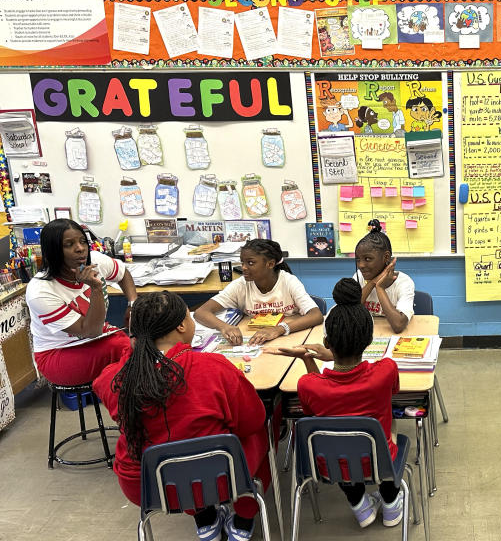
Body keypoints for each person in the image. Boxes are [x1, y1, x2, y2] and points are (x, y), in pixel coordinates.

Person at [94, 291, 270, 541]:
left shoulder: (115, 377)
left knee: (173, 442)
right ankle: (243, 519)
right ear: (181, 325)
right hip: (216, 479)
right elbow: (251, 421)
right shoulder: (213, 366)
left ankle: (206, 521)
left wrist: (131, 351)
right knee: (258, 427)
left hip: (145, 486)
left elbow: (105, 380)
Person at [272, 278, 404, 528]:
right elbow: (393, 391)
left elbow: (312, 411)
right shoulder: (386, 370)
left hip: (333, 465)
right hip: (378, 459)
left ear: (327, 343)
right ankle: (390, 505)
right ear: (368, 340)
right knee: (390, 423)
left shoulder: (308, 385)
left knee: (335, 434)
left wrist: (308, 359)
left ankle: (360, 506)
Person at [27, 219, 137, 386]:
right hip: (59, 352)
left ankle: (136, 402)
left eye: (82, 241)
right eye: (69, 244)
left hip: (99, 337)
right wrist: (96, 288)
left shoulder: (95, 261)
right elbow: (91, 331)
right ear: (53, 251)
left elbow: (123, 274)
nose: (80, 248)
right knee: (125, 348)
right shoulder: (41, 291)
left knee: (140, 342)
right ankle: (137, 405)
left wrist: (133, 304)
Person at [195, 239, 323, 346]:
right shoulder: (241, 285)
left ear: (270, 264)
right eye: (242, 262)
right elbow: (201, 312)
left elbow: (316, 315)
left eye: (250, 263)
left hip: (290, 337)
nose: (244, 267)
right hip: (255, 340)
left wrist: (279, 329)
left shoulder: (288, 281)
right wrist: (224, 327)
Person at [353, 220, 415, 333]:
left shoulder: (404, 282)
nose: (361, 265)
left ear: (386, 257)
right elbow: (349, 312)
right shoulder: (359, 277)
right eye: (358, 259)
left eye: (368, 259)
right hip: (365, 335)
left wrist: (380, 288)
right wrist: (372, 283)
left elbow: (398, 325)